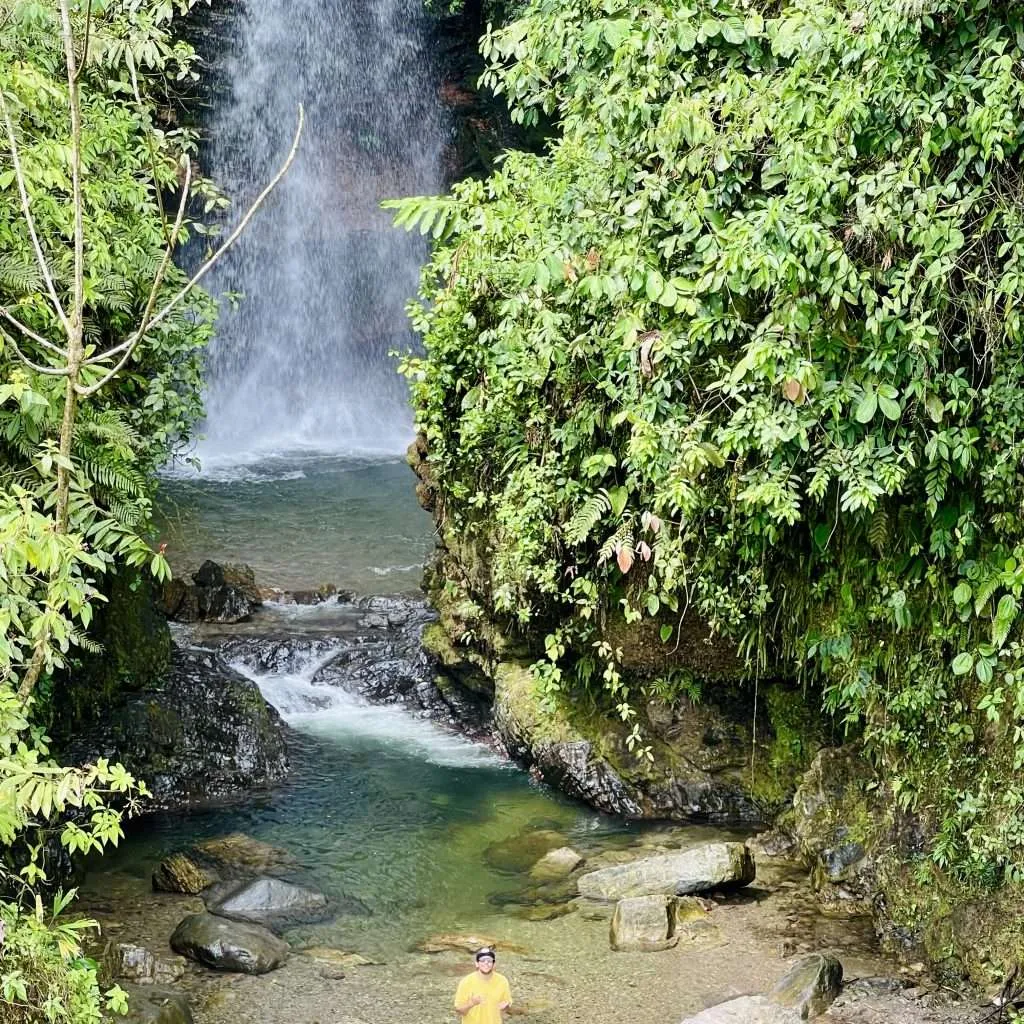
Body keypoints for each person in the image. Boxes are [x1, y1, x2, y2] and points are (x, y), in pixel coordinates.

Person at [453, 946, 511, 1023]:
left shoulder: (502, 981)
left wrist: (505, 1007)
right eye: (482, 960)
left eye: (489, 961)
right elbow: (459, 1011)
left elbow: (506, 1007)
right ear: (477, 964)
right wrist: (471, 1003)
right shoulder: (466, 982)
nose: (486, 963)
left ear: (494, 964)